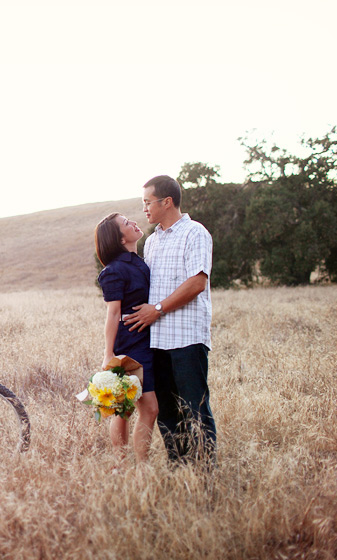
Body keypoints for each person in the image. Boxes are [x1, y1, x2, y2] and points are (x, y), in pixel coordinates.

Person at [124, 175, 216, 465]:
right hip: (157, 340)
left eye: (148, 203)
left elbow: (197, 282)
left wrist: (158, 309)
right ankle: (180, 471)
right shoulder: (150, 242)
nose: (145, 209)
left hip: (187, 337)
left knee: (195, 408)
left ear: (167, 201)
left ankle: (204, 475)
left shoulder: (195, 233)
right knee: (166, 410)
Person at [94, 212, 159, 462]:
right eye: (126, 223)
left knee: (143, 408)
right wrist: (108, 354)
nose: (133, 222)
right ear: (120, 238)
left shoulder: (140, 263)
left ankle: (138, 465)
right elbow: (113, 314)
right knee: (126, 408)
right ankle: (123, 464)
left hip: (148, 341)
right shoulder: (114, 271)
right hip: (129, 344)